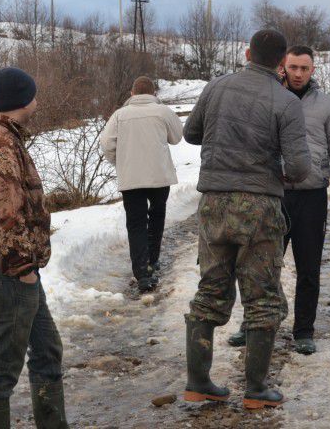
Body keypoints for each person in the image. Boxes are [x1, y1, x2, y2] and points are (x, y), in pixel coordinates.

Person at [182, 30, 311, 410]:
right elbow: (300, 168)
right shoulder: (286, 102)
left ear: (247, 53)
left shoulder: (216, 87)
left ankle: (198, 382)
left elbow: (191, 133)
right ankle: (256, 389)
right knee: (262, 296)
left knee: (210, 289)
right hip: (259, 208)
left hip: (214, 203)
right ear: (282, 62)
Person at [227, 45, 330, 355]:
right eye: (293, 67)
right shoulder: (270, 97)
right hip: (273, 195)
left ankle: (304, 331)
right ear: (283, 66)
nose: (298, 74)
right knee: (262, 266)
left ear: (313, 70)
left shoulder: (327, 104)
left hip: (311, 196)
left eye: (304, 68)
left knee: (309, 267)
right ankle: (253, 324)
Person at [0, 67, 68, 429]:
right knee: (3, 365)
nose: (37, 102)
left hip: (13, 266)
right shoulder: (0, 144)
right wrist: (22, 267)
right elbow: (6, 214)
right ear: (21, 100)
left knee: (47, 350)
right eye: (33, 95)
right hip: (8, 268)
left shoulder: (2, 136)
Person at [100, 76, 184, 292]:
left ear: (132, 93)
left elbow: (107, 143)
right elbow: (177, 137)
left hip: (131, 178)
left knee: (136, 223)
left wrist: (120, 162)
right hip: (159, 176)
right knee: (157, 217)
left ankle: (141, 273)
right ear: (154, 93)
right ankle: (152, 261)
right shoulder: (163, 112)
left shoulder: (119, 115)